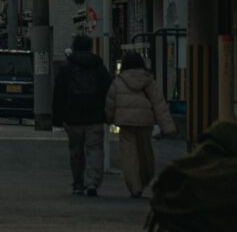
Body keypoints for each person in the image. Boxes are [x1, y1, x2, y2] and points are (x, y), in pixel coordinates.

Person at [105, 51, 176, 198]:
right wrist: (167, 127)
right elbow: (159, 104)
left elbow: (110, 104)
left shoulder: (118, 82)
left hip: (125, 123)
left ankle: (135, 187)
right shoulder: (149, 81)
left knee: (128, 156)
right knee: (145, 153)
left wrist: (109, 119)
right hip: (145, 122)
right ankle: (146, 177)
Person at [52, 34, 112, 197]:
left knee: (76, 151)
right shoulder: (98, 66)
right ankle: (92, 182)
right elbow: (108, 89)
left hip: (72, 116)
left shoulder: (66, 67)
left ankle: (78, 183)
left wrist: (57, 118)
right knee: (95, 149)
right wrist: (107, 113)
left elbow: (59, 94)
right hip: (95, 116)